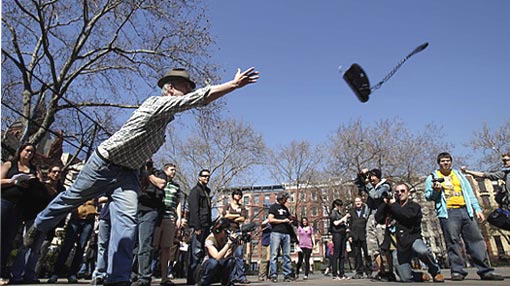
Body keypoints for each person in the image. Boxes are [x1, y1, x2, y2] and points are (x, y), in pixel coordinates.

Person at [23, 67, 259, 286]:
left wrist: (144, 173)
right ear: (169, 89)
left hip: (128, 175)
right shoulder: (155, 103)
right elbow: (197, 99)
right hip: (103, 163)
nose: (189, 91)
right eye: (184, 86)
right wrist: (233, 85)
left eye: (189, 87)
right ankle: (40, 224)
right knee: (72, 198)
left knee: (126, 226)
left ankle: (118, 279)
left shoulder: (164, 126)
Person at [425, 152, 504, 281]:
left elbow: (469, 193)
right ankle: (457, 271)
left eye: (447, 161)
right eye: (442, 161)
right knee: (453, 242)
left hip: (465, 210)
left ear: (451, 162)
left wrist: (477, 209)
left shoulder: (459, 175)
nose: (445, 163)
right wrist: (436, 191)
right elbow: (428, 196)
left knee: (476, 240)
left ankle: (485, 270)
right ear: (438, 163)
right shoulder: (432, 177)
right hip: (448, 212)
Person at [377, 183, 444, 283]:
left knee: (423, 251)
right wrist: (385, 203)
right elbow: (378, 218)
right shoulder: (392, 207)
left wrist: (394, 204)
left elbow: (406, 216)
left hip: (412, 239)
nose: (400, 193)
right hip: (399, 245)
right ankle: (420, 276)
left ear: (408, 193)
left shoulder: (414, 206)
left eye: (402, 191)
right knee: (405, 278)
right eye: (397, 192)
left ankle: (436, 272)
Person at [1, 143, 38, 283]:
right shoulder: (10, 164)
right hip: (4, 202)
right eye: (27, 151)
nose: (29, 154)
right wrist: (13, 181)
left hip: (19, 208)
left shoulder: (33, 169)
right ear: (21, 151)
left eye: (32, 152)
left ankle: (2, 270)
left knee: (8, 240)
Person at [354, 168, 393, 279]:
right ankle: (382, 271)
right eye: (369, 176)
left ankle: (389, 270)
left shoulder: (385, 186)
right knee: (373, 247)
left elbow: (375, 195)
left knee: (383, 246)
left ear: (379, 177)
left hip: (381, 218)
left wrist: (368, 185)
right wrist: (360, 175)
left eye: (373, 176)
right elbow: (358, 184)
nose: (371, 179)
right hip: (370, 218)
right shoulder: (370, 186)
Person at [131, 159, 165, 286]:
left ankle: (144, 277)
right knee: (134, 245)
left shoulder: (158, 172)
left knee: (145, 243)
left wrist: (147, 173)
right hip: (135, 209)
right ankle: (132, 274)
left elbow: (161, 184)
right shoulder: (135, 172)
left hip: (150, 211)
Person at [47, 199, 97, 283]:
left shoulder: (96, 189)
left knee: (81, 248)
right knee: (66, 247)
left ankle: (72, 274)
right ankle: (55, 273)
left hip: (89, 219)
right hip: (75, 218)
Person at [151, 163, 182, 286]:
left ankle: (164, 278)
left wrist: (179, 217)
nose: (173, 172)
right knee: (152, 247)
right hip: (157, 216)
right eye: (171, 170)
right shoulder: (158, 182)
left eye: (175, 170)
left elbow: (178, 202)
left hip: (170, 218)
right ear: (165, 170)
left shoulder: (176, 187)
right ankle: (145, 275)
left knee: (166, 248)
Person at [187, 169, 213, 285]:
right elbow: (194, 210)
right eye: (204, 176)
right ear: (199, 177)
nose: (206, 178)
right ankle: (192, 279)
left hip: (206, 226)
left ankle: (199, 277)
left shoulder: (206, 191)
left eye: (208, 176)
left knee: (202, 252)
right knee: (195, 253)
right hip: (199, 226)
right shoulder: (195, 191)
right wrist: (197, 226)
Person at [196, 217, 237, 286]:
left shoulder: (225, 239)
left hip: (219, 265)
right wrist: (228, 244)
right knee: (213, 262)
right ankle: (204, 282)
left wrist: (236, 245)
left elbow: (225, 256)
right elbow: (216, 257)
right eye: (225, 231)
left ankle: (226, 282)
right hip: (208, 265)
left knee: (231, 261)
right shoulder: (210, 239)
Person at [222, 188, 249, 284]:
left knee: (239, 254)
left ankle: (241, 277)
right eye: (236, 194)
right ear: (233, 195)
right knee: (229, 255)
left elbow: (243, 218)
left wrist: (232, 216)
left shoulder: (242, 207)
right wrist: (236, 215)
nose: (238, 196)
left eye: (240, 195)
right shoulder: (228, 206)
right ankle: (231, 277)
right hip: (227, 232)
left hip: (237, 232)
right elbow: (225, 216)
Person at [268, 191, 295, 283]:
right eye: (285, 199)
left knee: (286, 254)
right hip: (276, 233)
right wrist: (283, 221)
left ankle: (287, 274)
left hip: (286, 233)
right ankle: (273, 274)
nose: (286, 201)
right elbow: (270, 219)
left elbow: (287, 218)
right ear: (281, 198)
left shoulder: (285, 208)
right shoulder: (273, 207)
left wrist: (290, 221)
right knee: (274, 254)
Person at [348, 197, 371, 279]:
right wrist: (350, 236)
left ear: (362, 202)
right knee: (357, 255)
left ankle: (369, 271)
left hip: (364, 235)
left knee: (367, 254)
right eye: (356, 201)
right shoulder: (351, 212)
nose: (357, 203)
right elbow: (350, 225)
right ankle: (359, 272)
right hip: (355, 236)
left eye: (359, 201)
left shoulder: (366, 210)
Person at [329, 199, 350, 280]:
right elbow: (335, 223)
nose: (340, 208)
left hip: (343, 233)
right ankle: (335, 273)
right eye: (339, 206)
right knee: (336, 253)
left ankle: (342, 273)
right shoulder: (333, 213)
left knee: (342, 254)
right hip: (337, 234)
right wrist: (344, 217)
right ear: (336, 205)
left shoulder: (339, 213)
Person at [91, 196, 110, 286]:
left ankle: (112, 273)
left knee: (115, 247)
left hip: (120, 218)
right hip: (105, 217)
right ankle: (100, 274)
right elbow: (98, 199)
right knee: (102, 246)